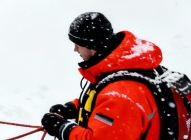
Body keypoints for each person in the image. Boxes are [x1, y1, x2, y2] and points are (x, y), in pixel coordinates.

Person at [41, 12, 167, 140]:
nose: (75, 50)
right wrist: (74, 108)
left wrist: (63, 129)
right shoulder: (122, 66)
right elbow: (104, 106)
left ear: (92, 47)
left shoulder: (119, 94)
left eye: (78, 45)